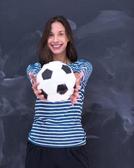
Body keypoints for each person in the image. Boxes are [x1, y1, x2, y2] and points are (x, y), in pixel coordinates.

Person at [25, 16, 93, 168]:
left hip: (73, 150)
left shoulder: (81, 67)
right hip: (40, 148)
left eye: (61, 34)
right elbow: (33, 76)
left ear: (68, 37)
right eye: (50, 34)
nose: (55, 39)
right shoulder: (36, 69)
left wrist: (77, 77)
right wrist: (36, 84)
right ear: (45, 39)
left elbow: (86, 69)